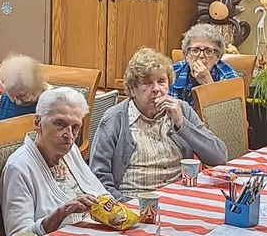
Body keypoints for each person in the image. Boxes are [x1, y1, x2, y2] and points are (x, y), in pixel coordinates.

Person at [90, 47, 231, 198]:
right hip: (132, 203)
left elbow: (219, 157)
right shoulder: (114, 119)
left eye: (162, 81)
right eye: (147, 83)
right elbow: (98, 179)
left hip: (178, 200)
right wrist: (125, 209)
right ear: (131, 90)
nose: (156, 89)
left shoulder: (181, 109)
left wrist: (181, 124)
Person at [0, 87, 107, 236]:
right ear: (38, 122)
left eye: (75, 127)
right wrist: (62, 212)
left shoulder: (70, 151)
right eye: (60, 124)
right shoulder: (18, 168)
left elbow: (102, 194)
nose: (69, 136)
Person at [170, 23, 238, 103]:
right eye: (195, 50)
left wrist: (208, 84)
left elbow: (231, 112)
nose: (201, 55)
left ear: (217, 57)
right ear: (186, 55)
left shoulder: (228, 77)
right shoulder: (172, 72)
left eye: (208, 51)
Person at [0, 53, 48, 121]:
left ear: (38, 87)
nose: (18, 102)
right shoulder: (6, 99)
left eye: (23, 95)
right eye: (11, 96)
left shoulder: (46, 102)